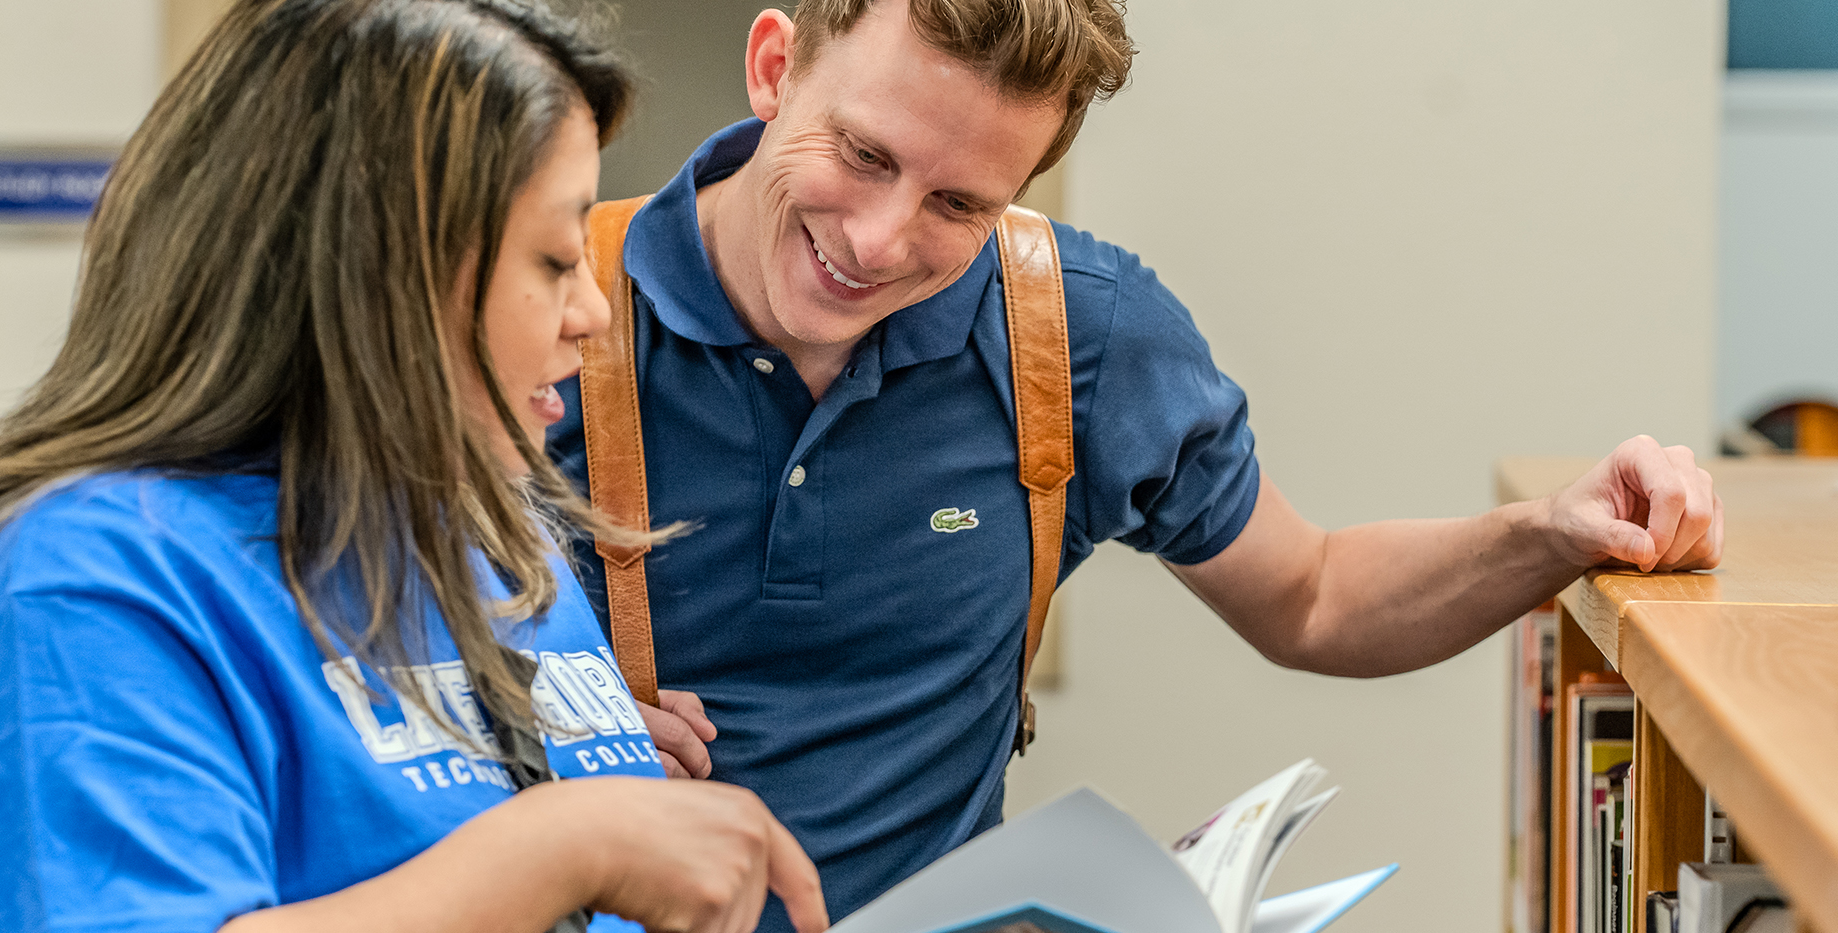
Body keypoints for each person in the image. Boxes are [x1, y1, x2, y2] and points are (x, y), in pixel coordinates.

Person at [543, 0, 1725, 929]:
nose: (877, 240)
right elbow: (361, 670)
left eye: (959, 203)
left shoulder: (1078, 335)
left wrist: (1552, 534)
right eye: (862, 153)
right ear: (772, 69)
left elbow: (1311, 595)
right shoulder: (538, 309)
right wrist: (534, 735)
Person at [0, 2, 828, 932]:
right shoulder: (74, 593)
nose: (592, 313)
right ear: (372, 271)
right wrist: (565, 844)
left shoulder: (487, 535)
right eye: (557, 259)